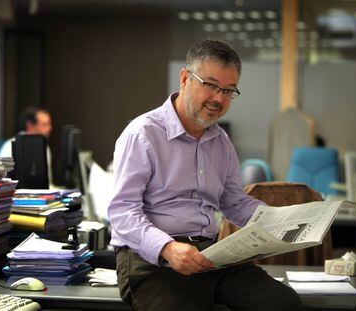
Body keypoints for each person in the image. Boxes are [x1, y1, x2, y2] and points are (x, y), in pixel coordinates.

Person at [108, 40, 305, 311]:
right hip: (153, 260)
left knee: (284, 303)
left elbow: (234, 202)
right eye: (210, 85)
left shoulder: (220, 141)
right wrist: (167, 248)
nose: (219, 99)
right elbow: (121, 213)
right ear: (185, 79)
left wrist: (280, 221)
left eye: (228, 90)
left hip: (211, 256)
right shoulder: (143, 134)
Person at [0, 107, 53, 183]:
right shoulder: (9, 146)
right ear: (29, 125)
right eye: (44, 125)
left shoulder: (45, 147)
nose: (50, 128)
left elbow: (48, 182)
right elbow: (0, 179)